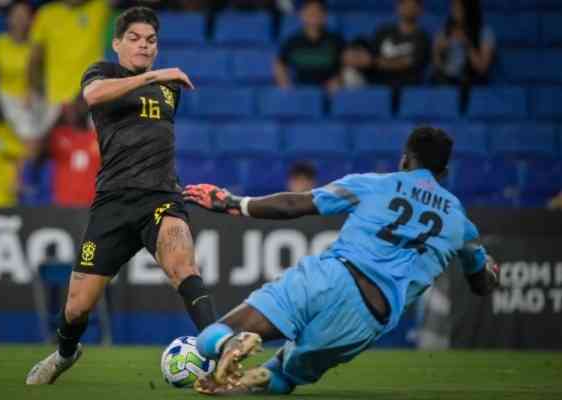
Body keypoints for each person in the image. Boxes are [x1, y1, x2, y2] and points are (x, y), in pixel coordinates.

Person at [183, 126, 500, 395]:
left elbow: (296, 204)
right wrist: (491, 273)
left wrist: (233, 203)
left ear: (405, 159)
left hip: (332, 275)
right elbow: (481, 283)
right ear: (443, 173)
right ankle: (258, 377)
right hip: (369, 316)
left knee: (212, 335)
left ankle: (232, 342)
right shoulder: (460, 223)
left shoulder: (375, 184)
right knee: (284, 377)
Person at [25, 6, 217, 385]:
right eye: (134, 39)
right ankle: (65, 354)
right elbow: (94, 96)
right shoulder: (101, 74)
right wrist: (157, 74)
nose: (143, 46)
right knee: (77, 307)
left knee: (184, 267)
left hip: (160, 198)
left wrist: (158, 78)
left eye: (151, 41)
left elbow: (155, 138)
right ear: (117, 44)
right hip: (113, 202)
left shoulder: (168, 90)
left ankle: (220, 349)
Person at [28, 0, 111, 129]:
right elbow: (34, 58)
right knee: (50, 145)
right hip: (55, 99)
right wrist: (35, 91)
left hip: (92, 96)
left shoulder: (99, 6)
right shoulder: (47, 13)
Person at [0, 2, 55, 151]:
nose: (20, 19)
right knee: (29, 137)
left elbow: (44, 75)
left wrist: (33, 91)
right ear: (8, 19)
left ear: (31, 20)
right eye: (16, 15)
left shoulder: (38, 45)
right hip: (6, 98)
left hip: (33, 96)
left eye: (25, 16)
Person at [343, 0, 430, 88]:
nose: (408, 8)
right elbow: (370, 53)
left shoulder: (423, 38)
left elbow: (407, 63)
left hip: (406, 86)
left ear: (420, 10)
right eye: (404, 4)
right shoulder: (384, 31)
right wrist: (356, 56)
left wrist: (373, 62)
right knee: (349, 73)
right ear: (398, 7)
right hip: (376, 84)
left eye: (412, 5)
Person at [274, 0, 344, 92]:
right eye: (309, 12)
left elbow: (346, 64)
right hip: (300, 92)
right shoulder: (292, 41)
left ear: (325, 16)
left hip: (330, 91)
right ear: (301, 15)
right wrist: (286, 85)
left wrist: (338, 80)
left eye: (317, 12)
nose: (313, 15)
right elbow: (280, 64)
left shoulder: (336, 40)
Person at [49, 95, 100, 207]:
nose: (71, 111)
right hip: (64, 204)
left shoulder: (99, 138)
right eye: (67, 108)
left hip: (92, 205)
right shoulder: (58, 135)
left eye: (74, 106)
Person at [432, 0, 495, 85]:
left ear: (469, 9)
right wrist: (440, 51)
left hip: (473, 81)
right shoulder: (444, 32)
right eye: (453, 6)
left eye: (459, 7)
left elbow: (482, 68)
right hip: (446, 81)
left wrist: (467, 45)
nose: (455, 10)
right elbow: (437, 65)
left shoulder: (484, 32)